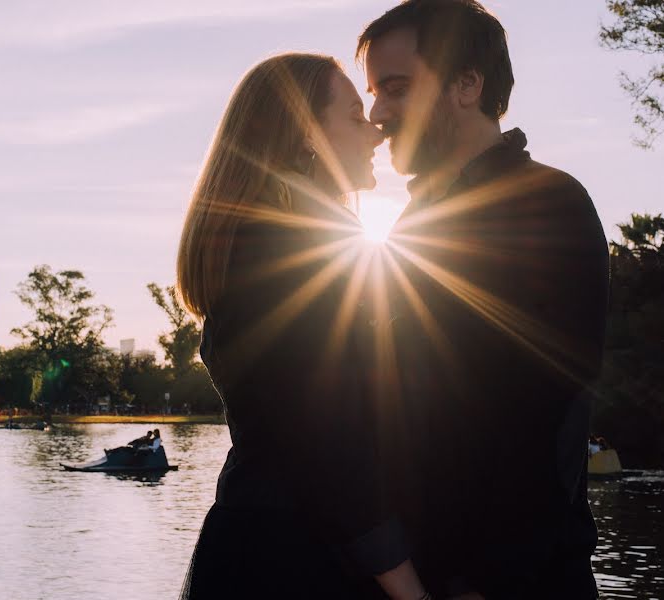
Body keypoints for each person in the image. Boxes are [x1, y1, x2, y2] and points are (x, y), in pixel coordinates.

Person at [357, 1, 609, 597]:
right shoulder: (414, 220)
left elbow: (541, 415)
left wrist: (482, 581)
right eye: (373, 93)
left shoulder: (546, 203)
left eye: (395, 89)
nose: (377, 113)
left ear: (467, 84)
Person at [178, 53, 431, 599]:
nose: (376, 133)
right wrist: (409, 587)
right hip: (296, 560)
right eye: (355, 116)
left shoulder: (273, 241)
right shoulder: (291, 247)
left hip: (270, 545)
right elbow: (330, 438)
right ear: (307, 136)